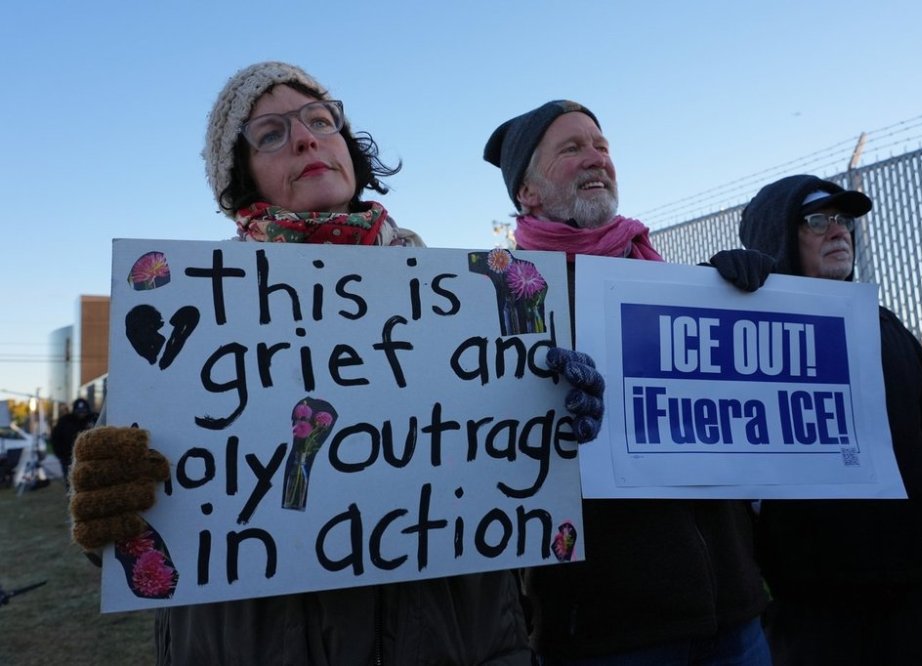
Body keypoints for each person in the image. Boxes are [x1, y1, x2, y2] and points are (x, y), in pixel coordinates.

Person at [69, 61, 603, 665]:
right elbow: (130, 530)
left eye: (321, 120)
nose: (306, 138)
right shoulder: (188, 317)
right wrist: (109, 497)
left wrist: (550, 412)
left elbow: (518, 494)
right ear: (240, 176)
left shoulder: (468, 299)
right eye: (271, 133)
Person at [484, 101, 773, 665]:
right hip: (607, 631)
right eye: (571, 149)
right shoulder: (502, 297)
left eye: (602, 146)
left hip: (734, 613)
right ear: (527, 193)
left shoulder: (667, 279)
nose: (595, 158)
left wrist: (741, 308)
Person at [739, 174, 922, 665]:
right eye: (817, 220)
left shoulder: (888, 329)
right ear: (777, 236)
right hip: (807, 606)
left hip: (906, 590)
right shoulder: (750, 338)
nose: (839, 231)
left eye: (844, 219)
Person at [50, 397, 94, 488]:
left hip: (89, 460)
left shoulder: (94, 419)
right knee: (71, 485)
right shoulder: (65, 421)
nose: (81, 414)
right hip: (68, 460)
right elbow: (55, 438)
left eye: (84, 411)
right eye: (79, 411)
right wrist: (61, 455)